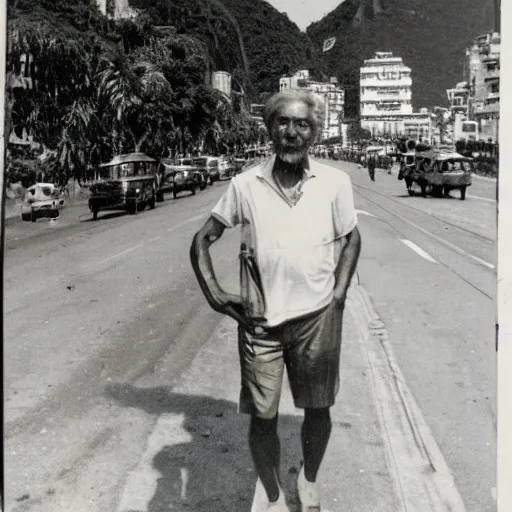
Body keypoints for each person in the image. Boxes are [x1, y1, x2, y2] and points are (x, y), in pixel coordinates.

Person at [190, 89, 361, 511]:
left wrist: (338, 296)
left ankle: (309, 479)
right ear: (269, 129)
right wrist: (217, 296)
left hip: (318, 318)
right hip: (260, 326)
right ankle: (271, 497)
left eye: (302, 124)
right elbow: (202, 240)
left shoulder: (335, 183)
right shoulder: (245, 184)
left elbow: (352, 238)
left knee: (318, 409)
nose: (291, 132)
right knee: (263, 418)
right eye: (282, 122)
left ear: (314, 133)